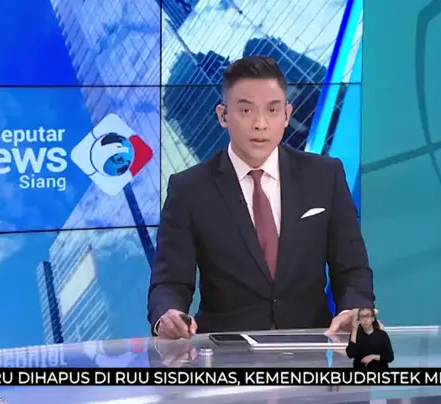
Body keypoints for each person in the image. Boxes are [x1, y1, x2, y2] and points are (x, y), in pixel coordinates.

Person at [148, 55, 376, 339]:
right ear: (223, 115)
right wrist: (167, 314)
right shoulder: (189, 189)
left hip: (310, 351)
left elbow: (352, 268)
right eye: (246, 110)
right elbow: (169, 282)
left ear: (287, 115)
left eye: (272, 110)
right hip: (226, 355)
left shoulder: (324, 176)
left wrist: (354, 310)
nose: (260, 123)